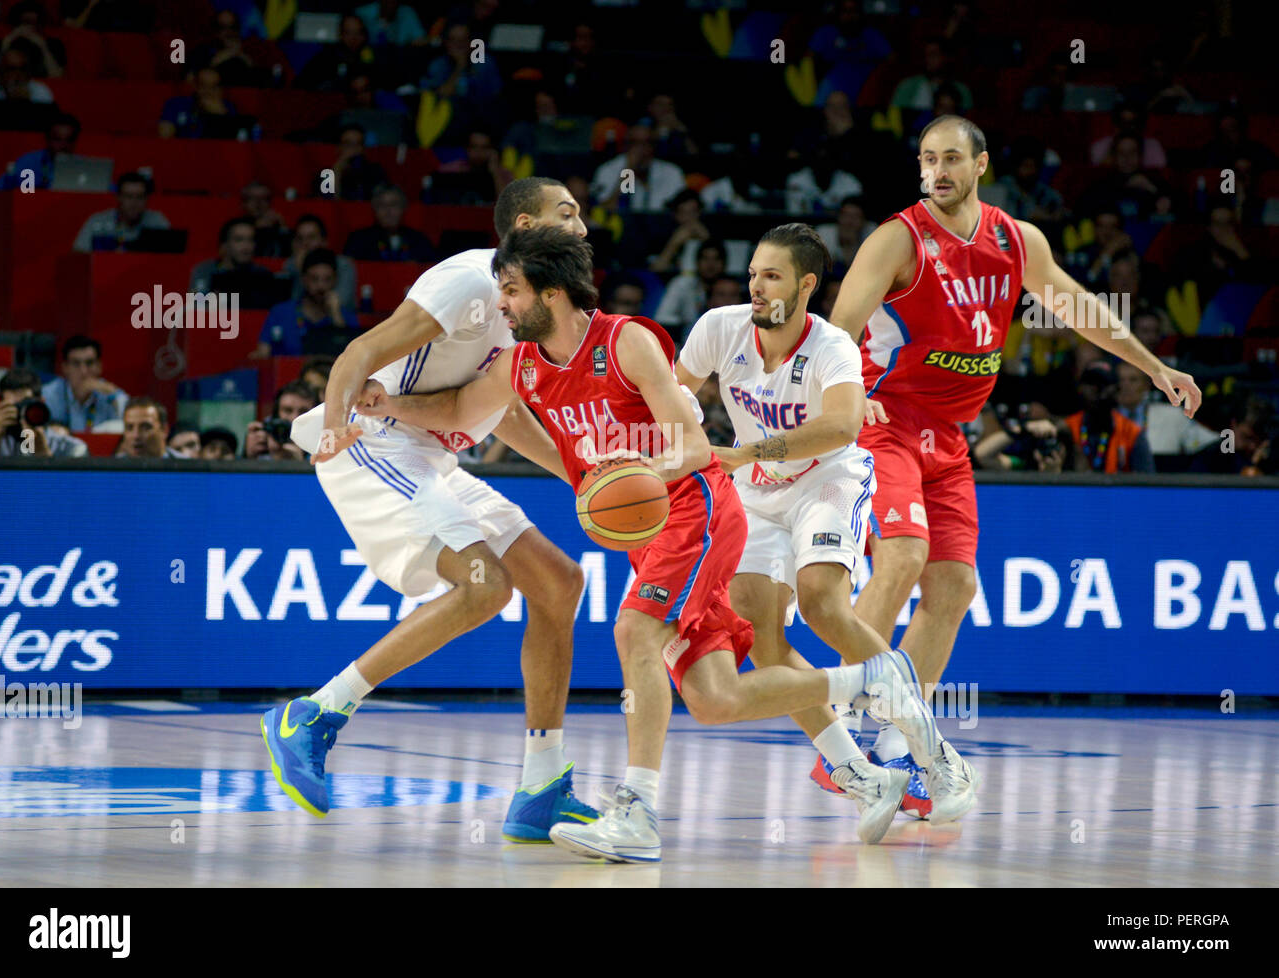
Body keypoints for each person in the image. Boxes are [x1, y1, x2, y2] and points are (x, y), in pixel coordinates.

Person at [362, 226, 971, 861]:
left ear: (551, 292)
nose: (502, 306)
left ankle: (638, 811)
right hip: (657, 533)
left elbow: (690, 441)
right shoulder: (522, 366)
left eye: (511, 291)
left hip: (697, 507)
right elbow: (461, 409)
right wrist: (389, 405)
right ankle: (867, 690)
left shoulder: (626, 342)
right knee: (713, 696)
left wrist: (644, 471)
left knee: (637, 631)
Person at [826, 115, 1201, 811]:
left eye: (949, 159)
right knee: (903, 556)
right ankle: (842, 730)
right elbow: (838, 328)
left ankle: (895, 750)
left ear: (981, 165)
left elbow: (1079, 308)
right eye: (926, 159)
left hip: (951, 433)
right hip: (888, 419)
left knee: (955, 588)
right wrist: (850, 397)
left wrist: (1152, 367)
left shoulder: (1014, 239)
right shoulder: (896, 238)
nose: (935, 171)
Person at [259, 177, 599, 845]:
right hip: (371, 440)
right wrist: (335, 425)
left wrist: (582, 476)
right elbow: (358, 354)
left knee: (560, 583)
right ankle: (314, 714)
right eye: (568, 213)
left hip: (433, 452)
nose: (583, 225)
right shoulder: (472, 282)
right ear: (526, 224)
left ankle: (540, 787)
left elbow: (497, 411)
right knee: (485, 587)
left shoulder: (538, 307)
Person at [675, 223, 979, 831]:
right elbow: (673, 391)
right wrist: (677, 439)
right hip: (756, 490)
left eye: (773, 276)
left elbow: (842, 426)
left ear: (806, 284)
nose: (756, 287)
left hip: (827, 479)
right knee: (758, 631)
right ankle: (859, 773)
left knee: (822, 606)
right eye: (754, 273)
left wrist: (750, 449)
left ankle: (937, 755)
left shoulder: (833, 345)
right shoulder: (718, 327)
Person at [253, 250, 359, 358]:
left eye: (327, 279)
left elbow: (352, 361)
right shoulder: (280, 312)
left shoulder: (346, 317)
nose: (320, 286)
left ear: (335, 280)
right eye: (314, 279)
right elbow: (262, 355)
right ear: (304, 279)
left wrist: (337, 317)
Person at [0, 368, 86, 458]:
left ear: (41, 403)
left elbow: (70, 480)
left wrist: (42, 453)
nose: (21, 414)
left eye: (25, 404)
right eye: (14, 408)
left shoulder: (69, 447)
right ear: (0, 408)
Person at [188, 217, 283, 308]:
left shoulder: (263, 274)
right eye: (239, 240)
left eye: (251, 240)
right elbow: (196, 308)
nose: (246, 247)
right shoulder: (205, 271)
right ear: (224, 246)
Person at [42, 335, 129, 431]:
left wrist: (115, 397)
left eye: (89, 363)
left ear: (99, 366)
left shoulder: (109, 394)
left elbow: (130, 423)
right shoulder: (48, 395)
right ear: (65, 368)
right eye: (76, 363)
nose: (83, 371)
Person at [71, 172, 171, 253]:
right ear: (119, 197)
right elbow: (78, 254)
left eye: (140, 197)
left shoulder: (157, 222)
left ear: (146, 199)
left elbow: (172, 258)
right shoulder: (98, 221)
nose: (134, 203)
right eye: (129, 196)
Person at [342, 184, 438, 262]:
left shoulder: (419, 241)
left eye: (393, 205)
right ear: (374, 209)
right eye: (382, 205)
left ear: (403, 208)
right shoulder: (359, 240)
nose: (388, 211)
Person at [0, 112, 79, 192]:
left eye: (69, 140)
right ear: (47, 140)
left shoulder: (81, 168)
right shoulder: (28, 163)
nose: (63, 146)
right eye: (57, 139)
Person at [0, 47, 54, 128]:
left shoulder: (40, 90)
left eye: (22, 69)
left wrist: (27, 105)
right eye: (11, 69)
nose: (18, 75)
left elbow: (52, 129)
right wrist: (10, 105)